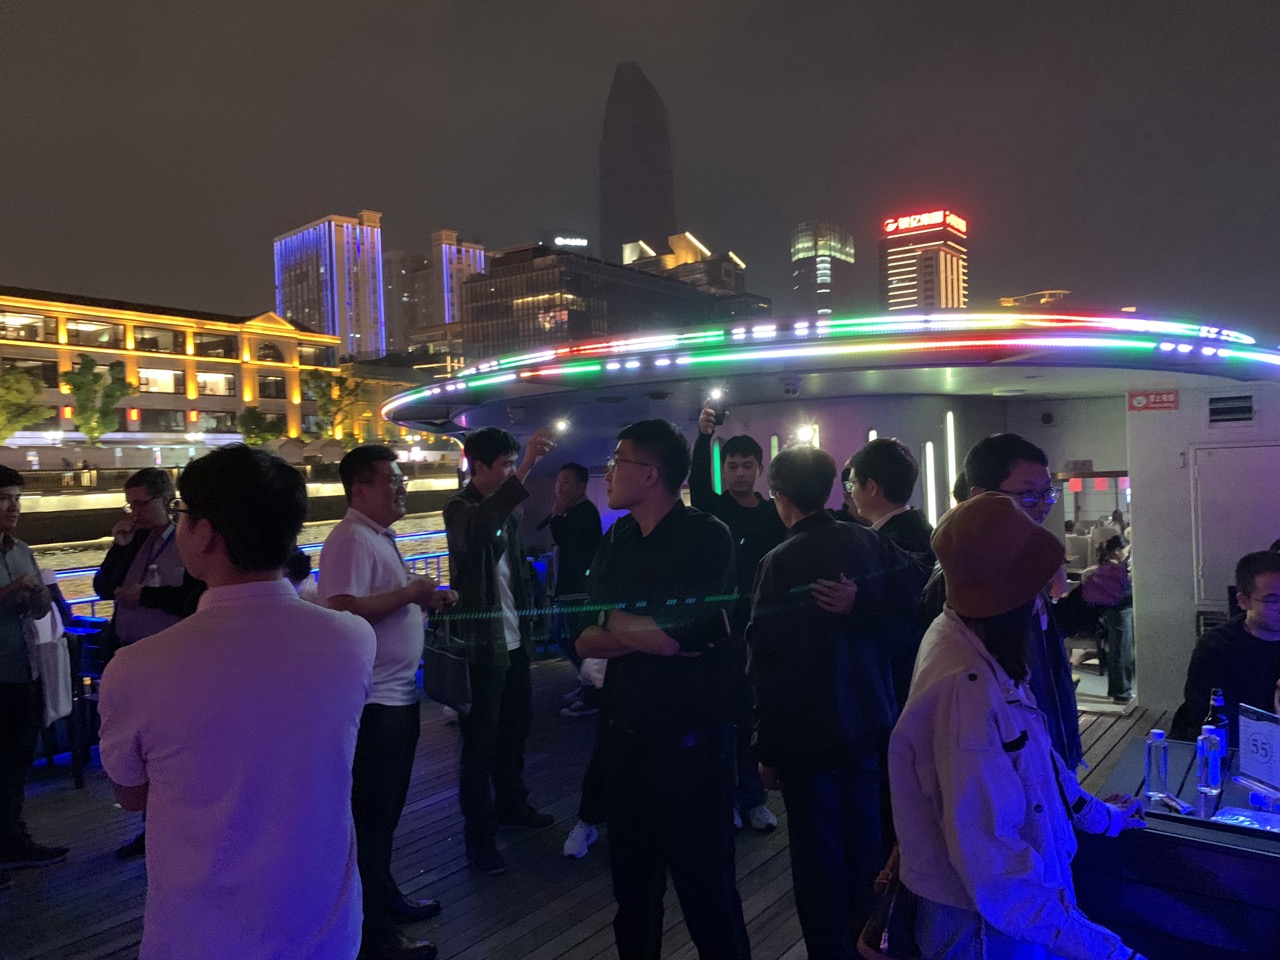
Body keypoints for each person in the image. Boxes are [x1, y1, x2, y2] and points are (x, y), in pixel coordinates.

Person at [97, 445, 377, 960]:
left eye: (182, 513)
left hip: (199, 933)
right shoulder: (353, 640)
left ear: (205, 532)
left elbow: (132, 795)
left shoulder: (134, 669)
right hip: (324, 924)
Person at [891, 492, 1147, 960]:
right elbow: (995, 872)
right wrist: (1108, 951)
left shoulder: (964, 639)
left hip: (1011, 918)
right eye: (1041, 584)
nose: (1048, 595)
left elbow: (1035, 760)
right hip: (984, 933)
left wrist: (1101, 816)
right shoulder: (967, 688)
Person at [577, 418, 751, 960]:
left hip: (694, 746)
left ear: (650, 473)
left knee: (710, 897)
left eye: (617, 461)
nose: (608, 472)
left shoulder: (706, 536)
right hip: (624, 739)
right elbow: (581, 637)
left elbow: (678, 638)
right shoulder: (618, 537)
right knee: (632, 899)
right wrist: (640, 631)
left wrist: (613, 621)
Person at [747, 446, 925, 958]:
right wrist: (864, 603)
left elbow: (767, 662)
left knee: (817, 862)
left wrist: (766, 747)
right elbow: (922, 590)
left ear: (780, 498)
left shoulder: (778, 561)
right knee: (867, 847)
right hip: (870, 723)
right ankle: (870, 943)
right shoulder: (869, 541)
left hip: (807, 737)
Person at [320, 445, 456, 960]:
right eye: (391, 480)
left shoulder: (376, 536)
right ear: (359, 490)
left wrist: (425, 598)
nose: (402, 487)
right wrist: (409, 594)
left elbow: (378, 603)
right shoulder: (351, 539)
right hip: (373, 704)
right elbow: (342, 611)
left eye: (402, 479)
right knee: (371, 821)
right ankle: (375, 935)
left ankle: (385, 900)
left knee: (386, 815)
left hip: (396, 698)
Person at [957, 434, 1129, 770]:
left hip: (1049, 737)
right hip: (1008, 754)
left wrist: (1086, 599)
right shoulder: (963, 578)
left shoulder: (1026, 558)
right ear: (981, 498)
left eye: (1047, 493)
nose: (1041, 506)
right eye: (1028, 494)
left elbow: (1042, 632)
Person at [444, 425, 558, 876]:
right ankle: (479, 837)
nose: (513, 472)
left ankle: (513, 804)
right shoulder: (460, 508)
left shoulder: (505, 511)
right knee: (479, 744)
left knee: (516, 728)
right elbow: (478, 532)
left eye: (514, 463)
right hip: (481, 645)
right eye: (507, 465)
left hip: (513, 640)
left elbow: (516, 575)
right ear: (479, 466)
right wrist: (528, 465)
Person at [92, 467, 205, 861]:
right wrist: (119, 546)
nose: (135, 512)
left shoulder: (189, 541)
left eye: (141, 504)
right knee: (139, 749)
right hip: (128, 655)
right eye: (130, 505)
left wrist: (146, 596)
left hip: (172, 661)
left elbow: (194, 598)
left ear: (166, 500)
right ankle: (150, 827)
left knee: (170, 747)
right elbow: (102, 588)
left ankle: (177, 826)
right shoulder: (135, 540)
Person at [690, 405, 783, 832]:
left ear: (760, 469)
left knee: (754, 717)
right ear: (723, 470)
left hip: (764, 628)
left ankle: (753, 797)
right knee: (720, 717)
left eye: (747, 465)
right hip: (722, 629)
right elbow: (697, 482)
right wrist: (703, 437)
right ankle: (725, 797)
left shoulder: (775, 513)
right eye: (732, 466)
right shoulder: (714, 509)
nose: (740, 473)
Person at [0, 466, 65, 878]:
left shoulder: (22, 550)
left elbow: (41, 612)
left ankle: (13, 838)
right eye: (4, 498)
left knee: (17, 760)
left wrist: (40, 597)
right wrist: (10, 591)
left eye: (17, 499)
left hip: (23, 669)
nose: (14, 507)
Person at [1171, 550, 1280, 746]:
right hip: (1235, 746)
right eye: (1272, 600)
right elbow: (1211, 718)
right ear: (1243, 601)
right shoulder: (1217, 648)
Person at [536, 462, 602, 717]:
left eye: (566, 481)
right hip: (566, 588)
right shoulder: (573, 510)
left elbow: (565, 540)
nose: (559, 486)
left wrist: (557, 515)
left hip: (579, 589)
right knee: (562, 635)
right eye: (558, 481)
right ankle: (585, 683)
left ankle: (593, 693)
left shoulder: (585, 511)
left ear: (581, 485)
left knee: (578, 640)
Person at [1083, 536, 1135, 703]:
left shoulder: (1109, 568)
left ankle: (1118, 690)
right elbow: (1120, 595)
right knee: (1120, 652)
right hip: (1119, 613)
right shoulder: (1112, 570)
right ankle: (1121, 692)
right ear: (1117, 551)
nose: (1127, 554)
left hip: (1117, 613)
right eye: (1126, 550)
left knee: (1119, 651)